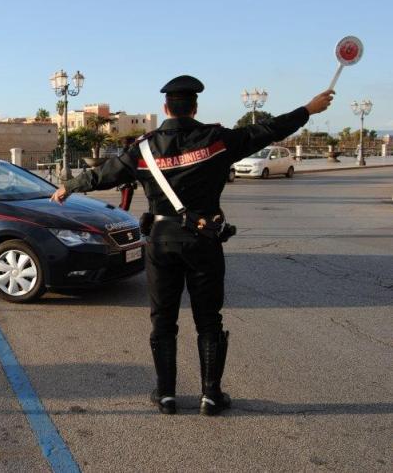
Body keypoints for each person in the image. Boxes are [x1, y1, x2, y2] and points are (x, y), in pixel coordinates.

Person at [51, 75, 334, 415]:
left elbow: (104, 174)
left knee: (163, 320)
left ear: (165, 108)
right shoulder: (218, 140)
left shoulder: (143, 148)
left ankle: (166, 394)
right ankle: (210, 396)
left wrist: (69, 186)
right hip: (204, 240)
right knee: (209, 319)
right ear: (195, 107)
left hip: (161, 242)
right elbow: (269, 130)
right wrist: (308, 109)